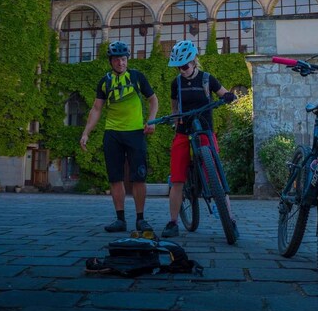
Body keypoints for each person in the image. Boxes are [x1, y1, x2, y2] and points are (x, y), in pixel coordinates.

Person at [161, 40, 237, 239]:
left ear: (194, 61)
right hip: (184, 131)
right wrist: (174, 120)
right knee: (177, 178)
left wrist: (229, 96)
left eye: (185, 65)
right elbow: (175, 108)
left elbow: (223, 93)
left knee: (217, 177)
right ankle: (173, 222)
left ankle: (230, 219)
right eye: (178, 67)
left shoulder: (207, 79)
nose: (182, 70)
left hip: (205, 131)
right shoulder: (175, 83)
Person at [80, 41, 159, 232]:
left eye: (123, 59)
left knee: (139, 177)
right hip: (113, 134)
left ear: (127, 60)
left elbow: (153, 100)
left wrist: (151, 120)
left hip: (135, 133)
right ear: (111, 61)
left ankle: (140, 219)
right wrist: (86, 132)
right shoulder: (104, 82)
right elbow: (97, 108)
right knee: (115, 177)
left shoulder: (137, 77)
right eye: (117, 59)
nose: (121, 63)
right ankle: (120, 219)